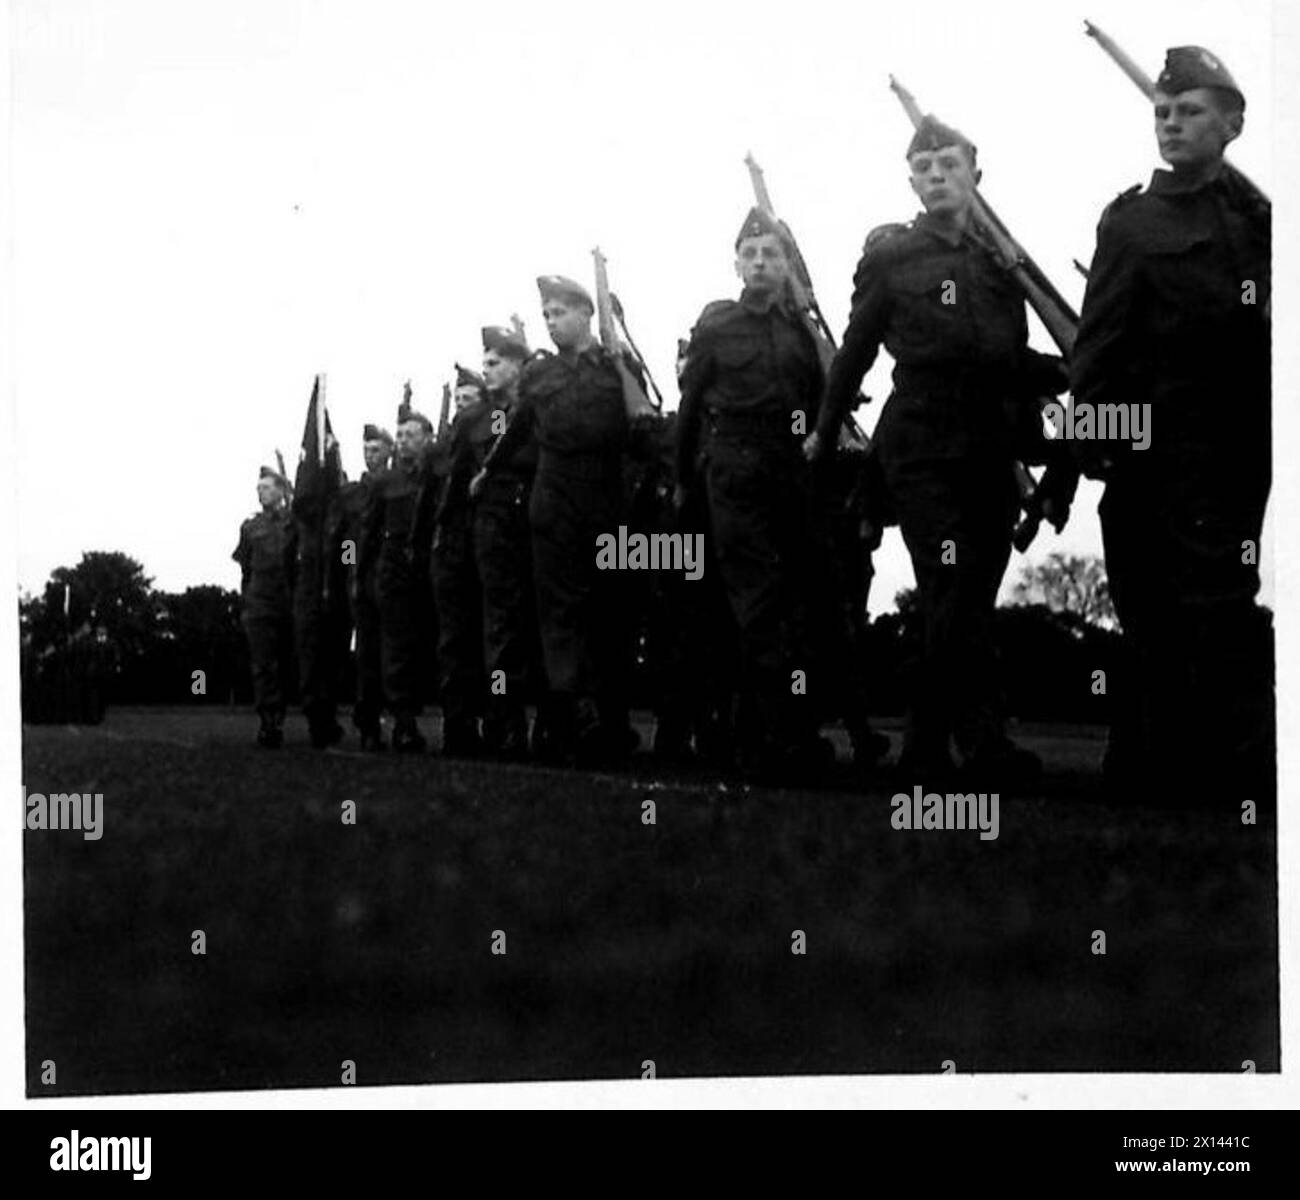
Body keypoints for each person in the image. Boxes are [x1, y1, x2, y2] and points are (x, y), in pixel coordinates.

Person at [806, 116, 1071, 783]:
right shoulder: (892, 260)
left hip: (990, 446)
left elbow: (1009, 357)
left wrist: (1075, 367)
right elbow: (854, 354)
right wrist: (822, 428)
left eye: (948, 164)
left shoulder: (999, 266)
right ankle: (932, 745)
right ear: (911, 181)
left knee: (971, 599)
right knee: (951, 586)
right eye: (923, 168)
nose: (936, 176)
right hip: (922, 447)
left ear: (974, 177)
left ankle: (980, 743)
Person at [1071, 46, 1272, 800]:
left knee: (1220, 601)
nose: (1171, 123)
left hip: (1234, 445)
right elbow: (1099, 340)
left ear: (1232, 124)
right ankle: (1147, 763)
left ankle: (1234, 767)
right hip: (1149, 443)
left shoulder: (1262, 225)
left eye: (1190, 112)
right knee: (1147, 604)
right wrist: (1093, 433)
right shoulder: (1132, 221)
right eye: (1162, 111)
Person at [675, 206, 837, 781]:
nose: (762, 263)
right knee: (756, 601)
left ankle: (774, 728)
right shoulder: (717, 325)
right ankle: (767, 734)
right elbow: (692, 405)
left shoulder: (800, 335)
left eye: (772, 254)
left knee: (791, 599)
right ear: (736, 264)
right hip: (733, 469)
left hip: (788, 472)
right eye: (752, 255)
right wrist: (681, 476)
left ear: (786, 264)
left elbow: (818, 405)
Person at [471, 275, 643, 765]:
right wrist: (488, 471)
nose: (551, 323)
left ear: (588, 314)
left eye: (560, 313)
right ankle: (577, 716)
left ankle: (610, 718)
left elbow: (642, 426)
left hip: (607, 499)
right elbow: (516, 426)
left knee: (610, 611)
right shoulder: (540, 375)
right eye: (546, 315)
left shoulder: (618, 366)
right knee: (561, 616)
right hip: (554, 502)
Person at [474, 324, 544, 759]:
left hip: (536, 519)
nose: (487, 370)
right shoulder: (475, 419)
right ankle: (506, 719)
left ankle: (548, 723)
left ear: (519, 365)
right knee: (501, 629)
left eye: (495, 362)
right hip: (494, 527)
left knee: (539, 622)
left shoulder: (540, 408)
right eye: (484, 363)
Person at [361, 407, 437, 752]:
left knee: (433, 647)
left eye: (411, 435)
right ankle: (403, 723)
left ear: (428, 438)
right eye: (401, 435)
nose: (404, 441)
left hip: (434, 568)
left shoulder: (439, 474)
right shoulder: (384, 483)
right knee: (397, 651)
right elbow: (368, 535)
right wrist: (361, 577)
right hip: (394, 573)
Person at [430, 365, 494, 756]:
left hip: (483, 543)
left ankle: (494, 717)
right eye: (459, 399)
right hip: (452, 547)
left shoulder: (493, 428)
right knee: (455, 642)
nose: (464, 405)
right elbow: (431, 502)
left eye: (471, 398)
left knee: (489, 639)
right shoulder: (443, 447)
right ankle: (459, 722)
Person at [337, 424, 393, 749]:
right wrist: (351, 572)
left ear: (388, 451)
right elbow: (347, 541)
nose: (370, 455)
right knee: (367, 656)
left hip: (394, 577)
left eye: (376, 449)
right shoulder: (354, 493)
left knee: (396, 653)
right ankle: (369, 719)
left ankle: (401, 718)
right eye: (366, 449)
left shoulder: (398, 482)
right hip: (364, 579)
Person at [232, 466, 295, 747]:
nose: (262, 493)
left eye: (267, 487)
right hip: (260, 602)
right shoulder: (250, 527)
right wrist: (246, 601)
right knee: (263, 666)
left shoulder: (295, 522)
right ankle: (269, 721)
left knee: (287, 663)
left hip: (289, 600)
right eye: (259, 488)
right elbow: (245, 567)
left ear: (282, 491)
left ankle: (286, 713)